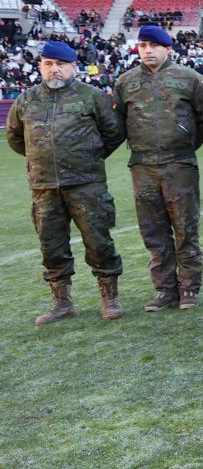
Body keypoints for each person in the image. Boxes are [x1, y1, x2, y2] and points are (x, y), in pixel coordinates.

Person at [6, 40, 126, 324]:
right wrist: (41, 158)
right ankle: (62, 302)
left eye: (61, 64)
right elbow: (15, 136)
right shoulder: (27, 99)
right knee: (51, 245)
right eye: (48, 64)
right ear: (40, 67)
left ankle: (110, 298)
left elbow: (114, 132)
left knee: (98, 242)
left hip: (86, 184)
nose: (54, 70)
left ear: (74, 67)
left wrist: (88, 157)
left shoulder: (91, 96)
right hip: (44, 187)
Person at [112, 25, 203, 312]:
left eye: (153, 46)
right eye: (143, 46)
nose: (147, 51)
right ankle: (165, 289)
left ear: (167, 48)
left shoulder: (189, 79)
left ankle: (190, 289)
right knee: (153, 231)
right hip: (142, 167)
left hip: (179, 165)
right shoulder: (125, 82)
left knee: (186, 228)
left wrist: (186, 143)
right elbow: (118, 122)